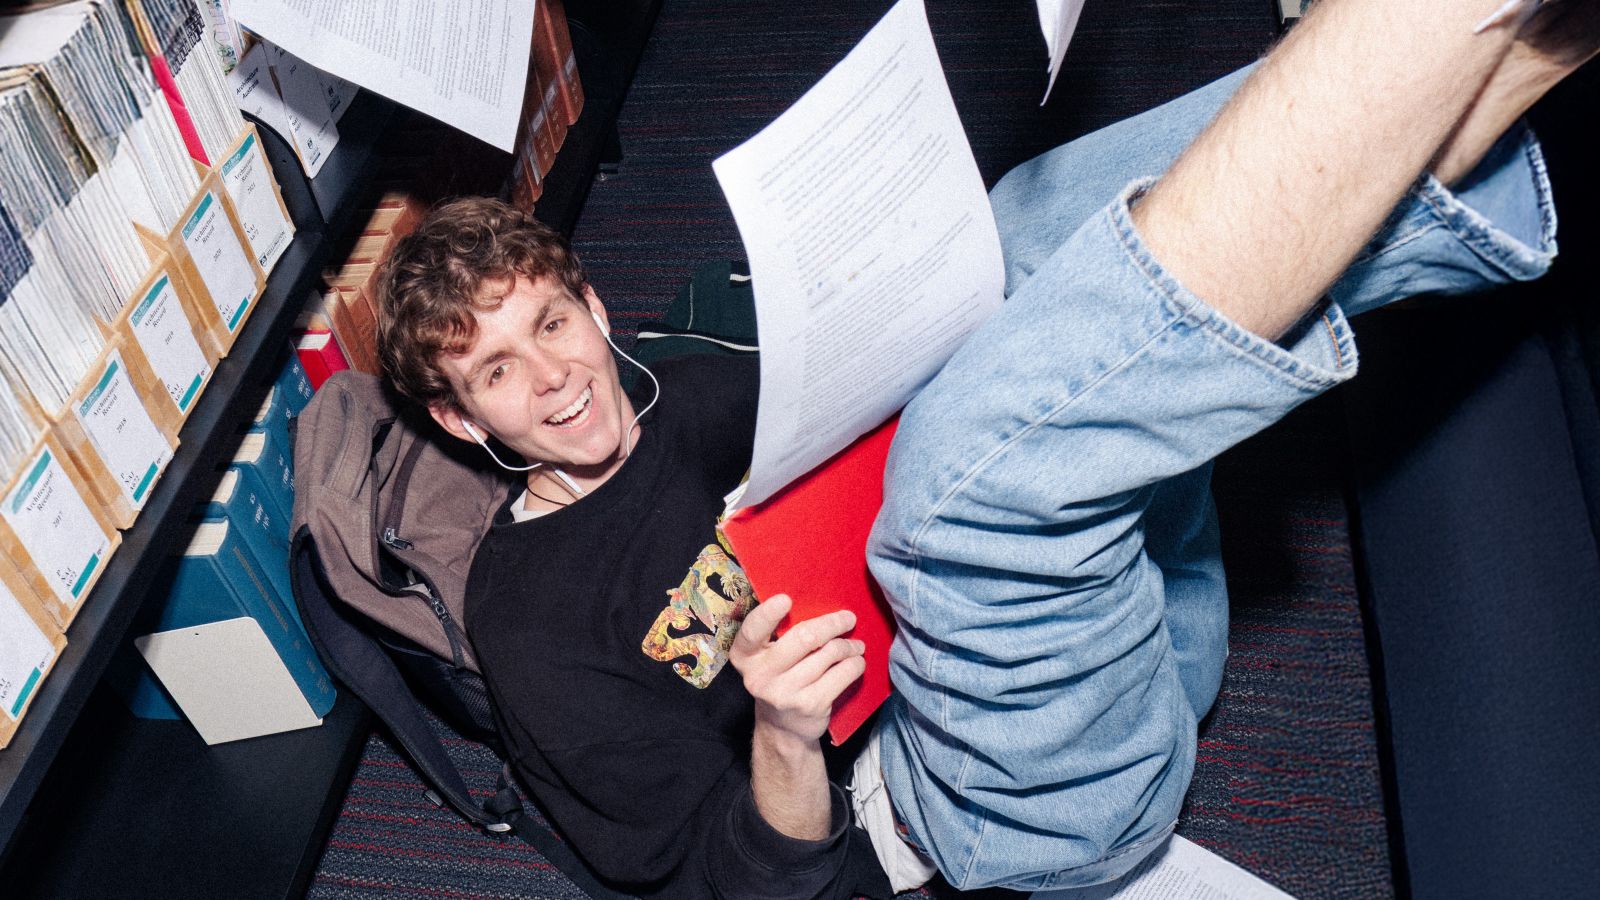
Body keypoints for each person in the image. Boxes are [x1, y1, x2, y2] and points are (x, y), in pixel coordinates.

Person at [374, 1, 1597, 896]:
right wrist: (785, 739)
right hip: (958, 804)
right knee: (962, 490)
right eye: (495, 373)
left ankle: (1496, 85)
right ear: (461, 421)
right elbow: (720, 887)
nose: (552, 380)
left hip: (1110, 629)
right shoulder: (528, 618)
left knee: (1007, 237)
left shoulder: (694, 394)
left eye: (547, 324)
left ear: (590, 305)